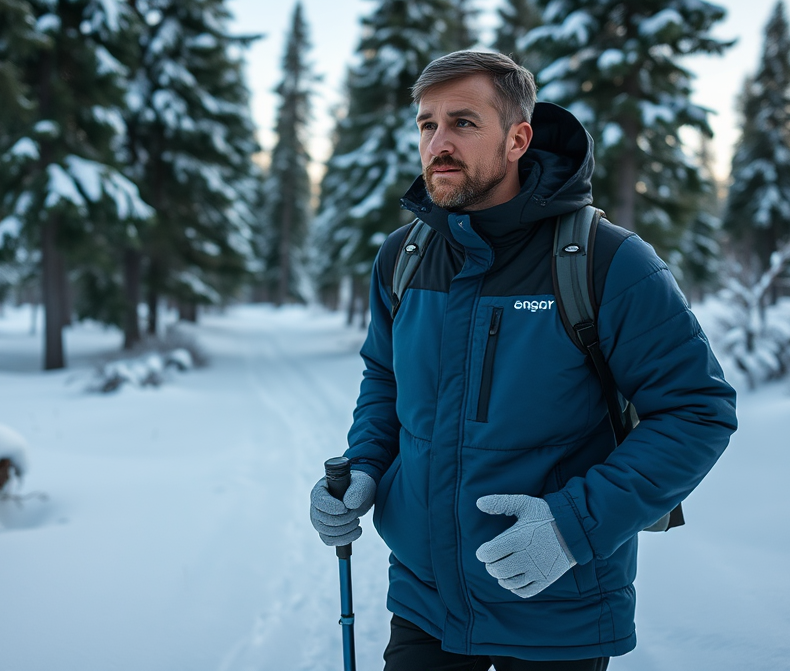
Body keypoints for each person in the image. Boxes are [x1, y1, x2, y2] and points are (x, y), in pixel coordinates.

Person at [310, 50, 737, 670]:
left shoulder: (606, 262)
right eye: (427, 124)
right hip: (425, 601)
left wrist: (573, 526)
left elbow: (697, 412)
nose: (439, 142)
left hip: (556, 607)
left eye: (463, 122)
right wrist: (367, 467)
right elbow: (385, 377)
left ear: (518, 138)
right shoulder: (403, 256)